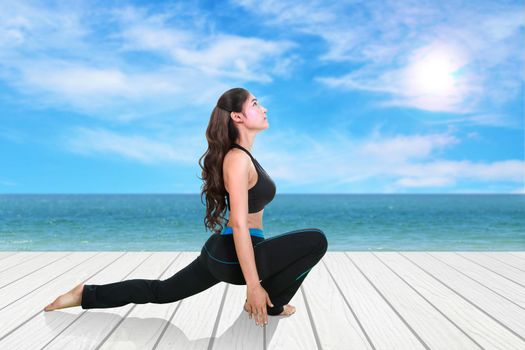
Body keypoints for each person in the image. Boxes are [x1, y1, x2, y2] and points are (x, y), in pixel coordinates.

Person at [43, 87, 328, 328]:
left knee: (163, 291)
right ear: (238, 117)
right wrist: (254, 286)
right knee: (316, 240)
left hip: (223, 251)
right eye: (255, 103)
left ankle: (85, 294)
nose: (263, 108)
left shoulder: (241, 156)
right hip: (233, 255)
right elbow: (240, 223)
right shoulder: (238, 160)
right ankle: (272, 305)